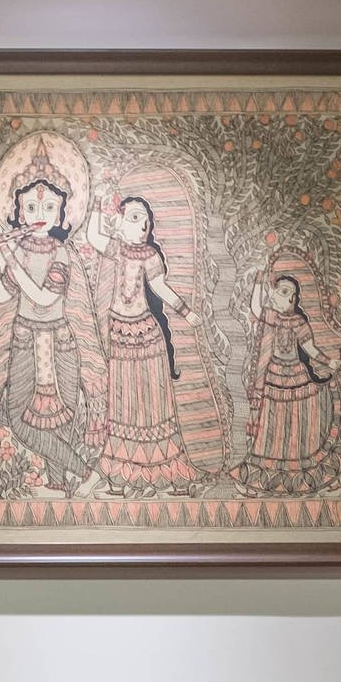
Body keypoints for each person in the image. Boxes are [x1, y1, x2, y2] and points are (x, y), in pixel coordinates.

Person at [0, 142, 106, 493]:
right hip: (22, 339)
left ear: (61, 214)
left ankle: (65, 481)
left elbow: (45, 298)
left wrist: (13, 264)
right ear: (18, 212)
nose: (39, 213)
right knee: (20, 421)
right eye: (31, 207)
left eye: (48, 206)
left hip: (59, 343)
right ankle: (80, 475)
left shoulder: (62, 252)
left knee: (61, 420)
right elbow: (2, 296)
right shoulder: (15, 248)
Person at [86, 194, 197, 495]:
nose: (143, 225)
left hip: (146, 337)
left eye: (146, 220)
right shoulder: (116, 249)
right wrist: (97, 202)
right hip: (118, 336)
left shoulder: (149, 255)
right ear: (119, 222)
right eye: (135, 217)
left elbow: (160, 287)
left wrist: (186, 312)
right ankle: (120, 475)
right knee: (122, 407)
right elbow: (93, 236)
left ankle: (163, 473)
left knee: (151, 407)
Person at [236, 262, 341, 493]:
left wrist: (328, 362)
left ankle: (298, 474)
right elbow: (255, 306)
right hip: (273, 378)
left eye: (288, 294)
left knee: (295, 426)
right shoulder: (271, 317)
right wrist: (258, 279)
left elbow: (310, 349)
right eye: (280, 291)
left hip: (296, 377)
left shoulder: (298, 322)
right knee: (271, 427)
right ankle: (264, 475)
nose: (284, 297)